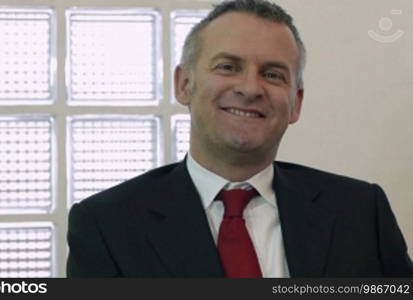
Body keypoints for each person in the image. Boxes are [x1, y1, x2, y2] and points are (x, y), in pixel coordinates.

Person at [67, 0, 413, 277]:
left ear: (296, 103)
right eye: (228, 66)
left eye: (272, 74)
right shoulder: (107, 225)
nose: (249, 88)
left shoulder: (360, 212)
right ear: (184, 85)